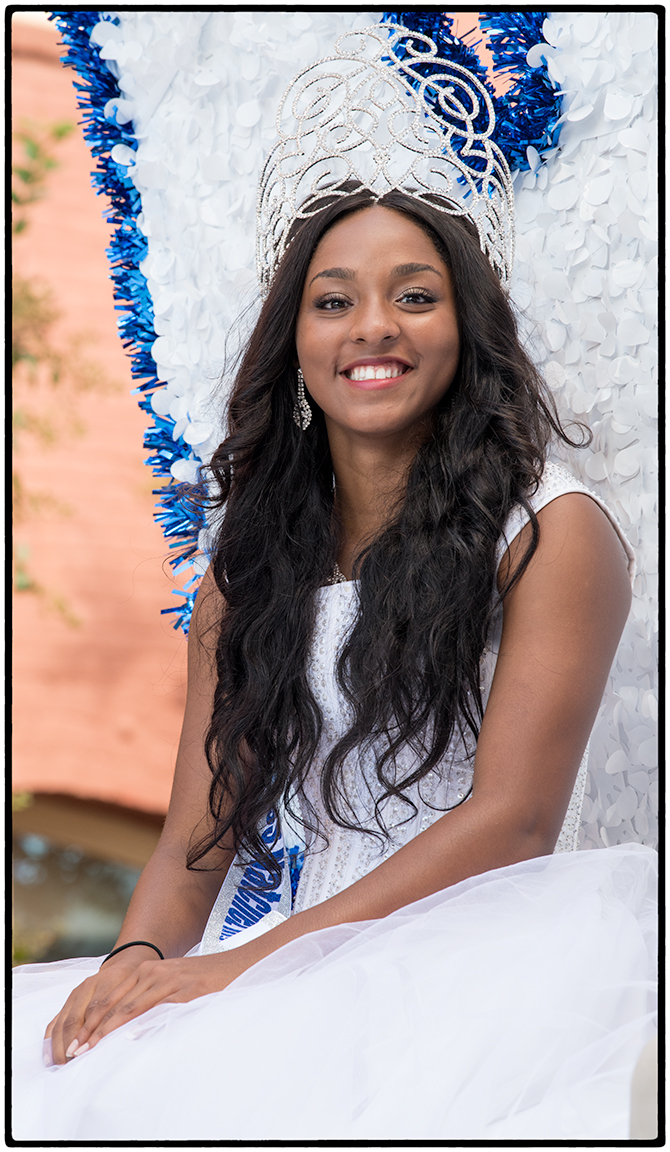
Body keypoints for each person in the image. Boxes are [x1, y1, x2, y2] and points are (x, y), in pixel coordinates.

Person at [12, 25, 656, 1142]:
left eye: (414, 297)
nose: (372, 327)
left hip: (476, 966)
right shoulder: (248, 564)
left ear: (467, 331)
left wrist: (242, 973)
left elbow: (511, 822)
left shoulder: (552, 530)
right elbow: (195, 837)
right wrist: (136, 968)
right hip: (286, 962)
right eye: (333, 300)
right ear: (297, 343)